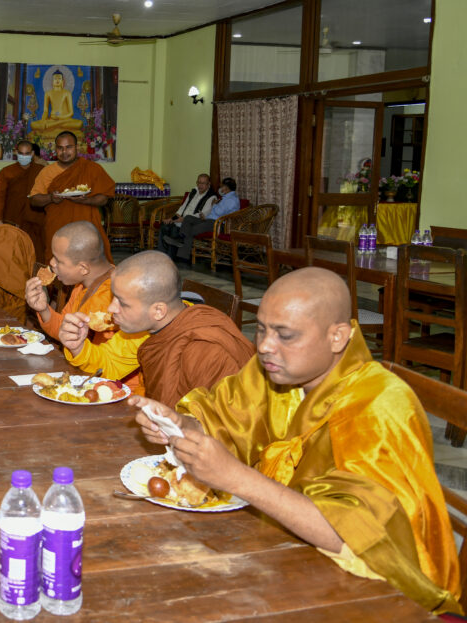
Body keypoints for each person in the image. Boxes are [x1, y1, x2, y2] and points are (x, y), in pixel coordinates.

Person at [130, 267, 462, 615]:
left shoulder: (378, 405)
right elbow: (224, 416)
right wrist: (180, 423)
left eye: (285, 335)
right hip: (279, 546)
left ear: (338, 337)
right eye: (261, 329)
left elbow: (362, 540)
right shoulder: (277, 370)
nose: (265, 346)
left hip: (377, 589)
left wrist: (235, 478)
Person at [60, 250, 253, 407]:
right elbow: (109, 364)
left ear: (158, 310)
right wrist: (78, 347)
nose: (111, 308)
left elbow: (228, 423)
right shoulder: (146, 327)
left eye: (122, 303)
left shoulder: (206, 350)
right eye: (113, 298)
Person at [26, 221, 147, 394]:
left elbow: (105, 364)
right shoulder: (81, 285)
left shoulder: (114, 298)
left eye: (59, 260)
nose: (51, 263)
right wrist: (43, 308)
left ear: (83, 268)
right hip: (87, 372)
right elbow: (66, 332)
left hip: (117, 389)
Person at [29, 131, 114, 262]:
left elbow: (104, 198)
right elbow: (34, 200)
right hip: (58, 228)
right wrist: (51, 198)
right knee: (58, 262)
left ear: (77, 148)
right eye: (60, 148)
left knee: (88, 261)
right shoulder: (47, 172)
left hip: (86, 229)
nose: (64, 152)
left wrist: (88, 200)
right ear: (55, 149)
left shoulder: (92, 168)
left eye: (69, 147)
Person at [0, 140, 47, 260]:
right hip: (13, 219)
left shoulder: (40, 170)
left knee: (36, 252)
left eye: (27, 153)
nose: (24, 157)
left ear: (33, 153)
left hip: (35, 219)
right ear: (16, 153)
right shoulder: (7, 172)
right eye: (21, 153)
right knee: (13, 253)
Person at [168, 177, 241, 262]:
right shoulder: (225, 198)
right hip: (209, 220)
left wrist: (214, 204)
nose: (220, 188)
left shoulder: (232, 200)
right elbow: (215, 213)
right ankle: (181, 242)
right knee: (188, 218)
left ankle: (182, 249)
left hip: (219, 225)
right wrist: (205, 217)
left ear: (226, 187)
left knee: (192, 229)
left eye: (222, 186)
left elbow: (219, 212)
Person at [156, 173, 216, 254]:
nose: (200, 185)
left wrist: (183, 220)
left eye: (203, 183)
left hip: (193, 222)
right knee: (165, 225)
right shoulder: (194, 191)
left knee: (174, 229)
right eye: (198, 182)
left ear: (209, 184)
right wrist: (172, 218)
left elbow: (203, 214)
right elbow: (182, 208)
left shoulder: (212, 197)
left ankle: (171, 256)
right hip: (181, 219)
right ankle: (161, 254)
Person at [30, 70, 84, 137]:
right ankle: (55, 125)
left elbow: (71, 113)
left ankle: (54, 125)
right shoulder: (48, 93)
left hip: (65, 119)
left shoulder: (67, 93)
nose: (57, 80)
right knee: (33, 124)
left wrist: (60, 117)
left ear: (62, 81)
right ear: (52, 81)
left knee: (79, 123)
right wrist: (43, 120)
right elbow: (46, 111)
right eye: (55, 78)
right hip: (52, 119)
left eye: (59, 78)